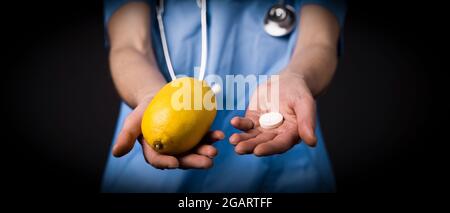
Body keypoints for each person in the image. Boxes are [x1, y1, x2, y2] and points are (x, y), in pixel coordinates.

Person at [102, 0, 346, 192]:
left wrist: (297, 76)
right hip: (150, 164)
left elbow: (320, 42)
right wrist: (150, 95)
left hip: (285, 163)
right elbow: (130, 46)